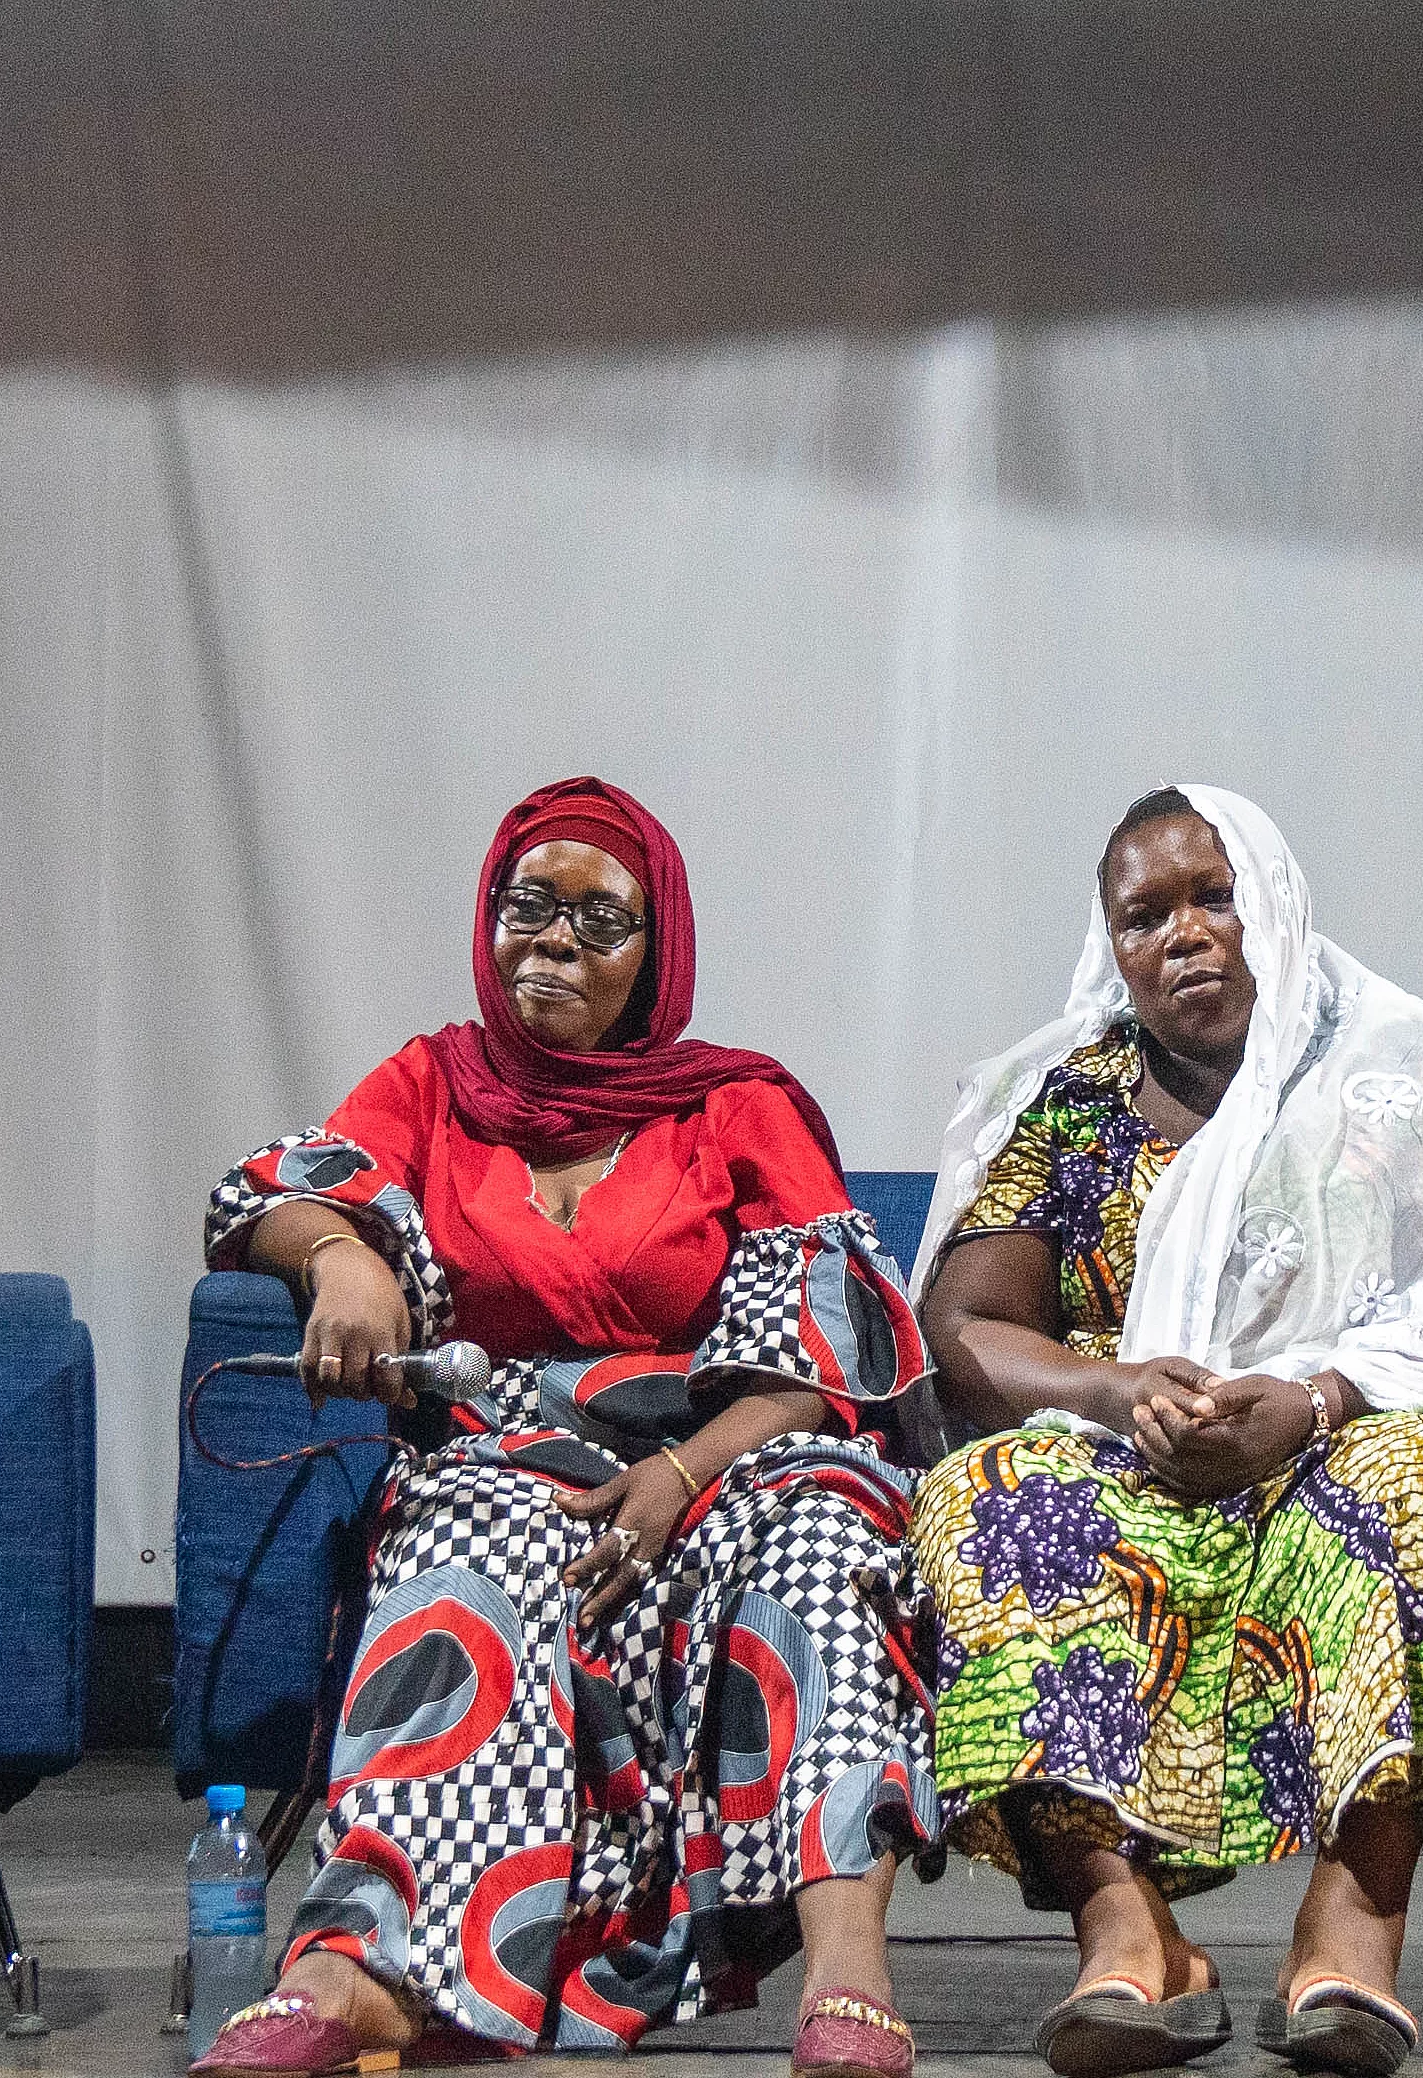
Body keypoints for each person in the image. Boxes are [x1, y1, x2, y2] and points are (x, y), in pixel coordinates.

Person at [191, 777, 934, 2078]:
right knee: (462, 1558)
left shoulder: (734, 1104)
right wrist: (346, 1262)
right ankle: (359, 1966)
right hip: (506, 1450)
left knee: (820, 1533)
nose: (553, 940)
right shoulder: (436, 1081)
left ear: (658, 957)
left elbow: (823, 1356)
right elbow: (291, 1188)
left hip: (725, 1445)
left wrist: (678, 1469)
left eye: (602, 919)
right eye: (528, 905)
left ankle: (845, 1970)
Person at [911, 785, 1423, 2078]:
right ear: (1113, 946)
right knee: (982, 1496)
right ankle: (1130, 1933)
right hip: (1135, 1461)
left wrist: (1313, 1399)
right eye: (1145, 915)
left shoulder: (1397, 1076)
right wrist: (1111, 1388)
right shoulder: (1072, 1096)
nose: (1186, 935)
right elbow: (968, 1326)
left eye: (1214, 896)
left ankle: (1352, 1926)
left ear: (1273, 900)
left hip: (1333, 1446)